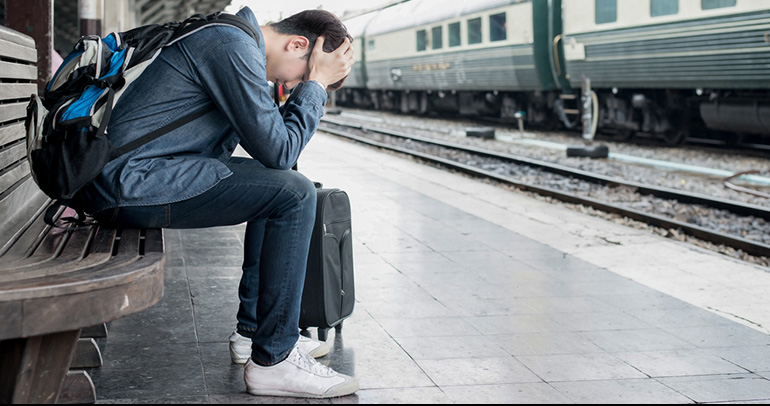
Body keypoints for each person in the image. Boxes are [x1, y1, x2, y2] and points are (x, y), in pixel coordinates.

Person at [72, 5, 357, 399]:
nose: (291, 86)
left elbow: (279, 158)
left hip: (135, 178)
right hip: (130, 183)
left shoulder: (235, 43)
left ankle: (256, 333)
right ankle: (274, 359)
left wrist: (311, 84)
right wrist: (316, 88)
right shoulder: (231, 46)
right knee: (293, 192)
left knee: (283, 187)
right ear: (297, 44)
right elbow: (278, 151)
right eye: (301, 76)